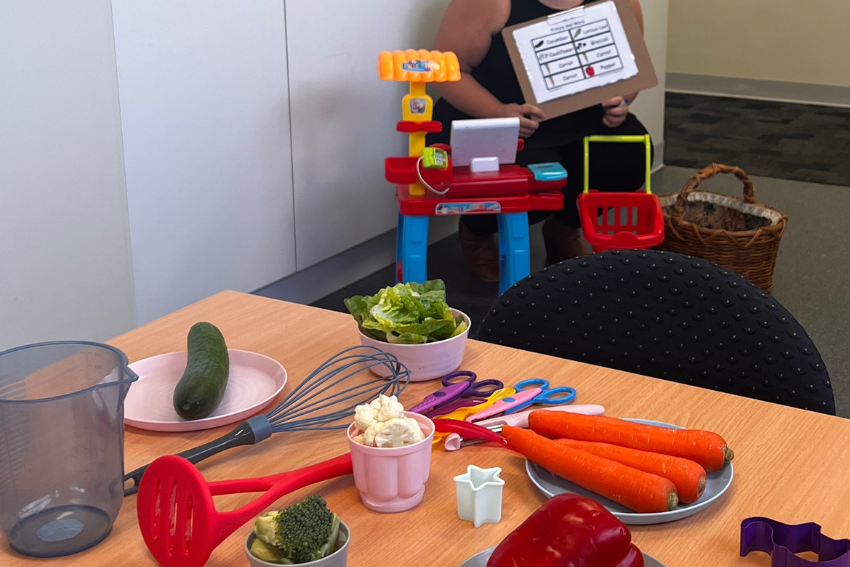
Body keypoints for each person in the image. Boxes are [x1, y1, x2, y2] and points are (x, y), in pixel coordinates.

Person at [429, 0, 653, 282]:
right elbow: (445, 70)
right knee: (535, 186)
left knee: (629, 155)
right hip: (495, 121)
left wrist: (622, 102)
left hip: (581, 122)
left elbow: (630, 68)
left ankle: (564, 228)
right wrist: (497, 112)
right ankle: (477, 231)